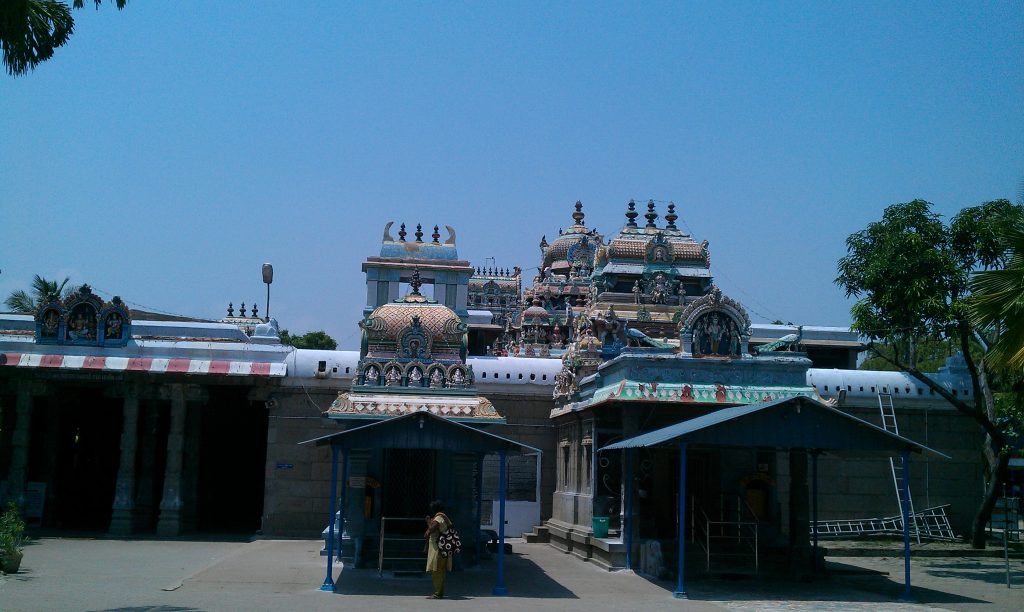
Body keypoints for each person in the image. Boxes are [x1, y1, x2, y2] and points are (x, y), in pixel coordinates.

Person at [424, 500, 453, 599]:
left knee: (437, 570)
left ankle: (438, 593)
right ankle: (439, 592)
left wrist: (428, 522)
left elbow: (432, 529)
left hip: (439, 548)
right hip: (439, 547)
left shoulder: (439, 517)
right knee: (438, 570)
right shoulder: (442, 517)